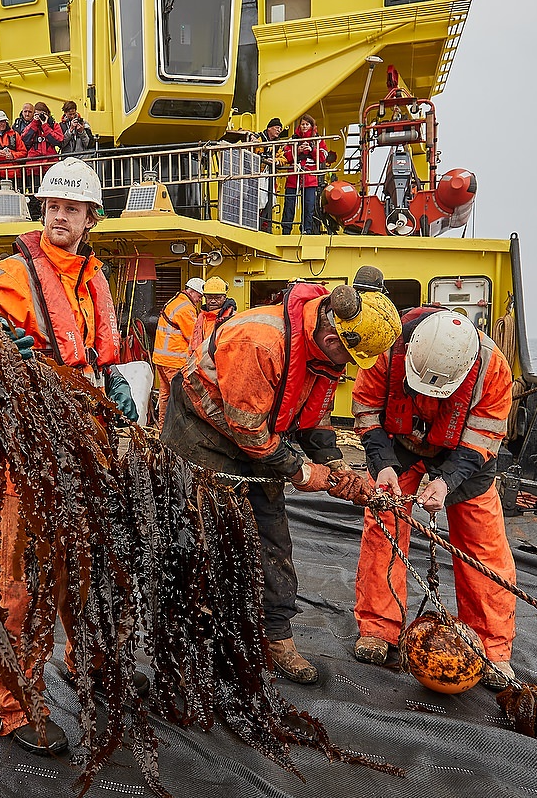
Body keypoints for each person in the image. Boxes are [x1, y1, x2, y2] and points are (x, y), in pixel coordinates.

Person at [0, 157, 140, 754]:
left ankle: (83, 657)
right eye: (52, 207)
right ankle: (16, 707)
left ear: (91, 217)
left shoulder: (94, 279)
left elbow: (102, 353)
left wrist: (112, 383)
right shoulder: (13, 274)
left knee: (84, 567)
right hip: (32, 448)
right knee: (20, 582)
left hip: (84, 444)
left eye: (71, 209)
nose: (59, 217)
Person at [162, 269, 402, 684]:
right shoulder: (258, 340)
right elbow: (248, 429)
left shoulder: (321, 353)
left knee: (273, 536)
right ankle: (195, 643)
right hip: (203, 434)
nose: (348, 369)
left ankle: (276, 636)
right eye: (349, 360)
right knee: (204, 537)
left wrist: (338, 467)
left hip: (260, 430)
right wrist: (303, 470)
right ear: (333, 342)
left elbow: (315, 418)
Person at [350, 304, 518, 689]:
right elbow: (367, 410)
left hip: (462, 451)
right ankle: (379, 627)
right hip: (400, 442)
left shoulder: (492, 370)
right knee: (384, 527)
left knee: (482, 545)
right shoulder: (384, 350)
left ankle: (491, 648)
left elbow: (480, 441)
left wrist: (445, 482)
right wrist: (382, 465)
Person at [151, 277, 205, 429]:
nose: (200, 300)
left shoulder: (175, 301)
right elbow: (194, 338)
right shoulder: (186, 308)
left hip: (161, 360)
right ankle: (177, 432)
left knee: (165, 396)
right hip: (174, 362)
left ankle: (162, 429)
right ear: (192, 291)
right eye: (199, 296)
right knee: (180, 398)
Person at [280, 115, 334, 235]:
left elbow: (323, 156)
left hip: (310, 177)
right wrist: (297, 150)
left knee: (308, 205)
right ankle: (286, 229)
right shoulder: (293, 139)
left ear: (311, 126)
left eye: (307, 124)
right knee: (289, 204)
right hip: (294, 177)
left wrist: (311, 150)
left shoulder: (318, 140)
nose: (304, 126)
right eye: (302, 124)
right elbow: (285, 155)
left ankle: (306, 229)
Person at [187, 276, 237, 357]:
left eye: (217, 298)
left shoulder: (233, 318)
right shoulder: (201, 317)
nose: (213, 301)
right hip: (200, 364)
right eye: (209, 297)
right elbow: (193, 343)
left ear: (224, 298)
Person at [254, 117, 287, 233]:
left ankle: (265, 224)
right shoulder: (258, 138)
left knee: (270, 199)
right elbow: (254, 150)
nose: (279, 131)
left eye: (280, 129)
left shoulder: (278, 144)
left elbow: (283, 158)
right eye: (277, 128)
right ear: (269, 128)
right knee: (257, 199)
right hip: (256, 174)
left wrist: (276, 161)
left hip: (270, 176)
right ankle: (256, 222)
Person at [18, 101, 64, 179]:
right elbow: (24, 139)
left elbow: (59, 140)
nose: (40, 116)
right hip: (34, 167)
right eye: (37, 114)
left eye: (42, 114)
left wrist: (45, 125)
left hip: (50, 165)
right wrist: (34, 122)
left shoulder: (53, 125)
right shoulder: (31, 125)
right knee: (34, 190)